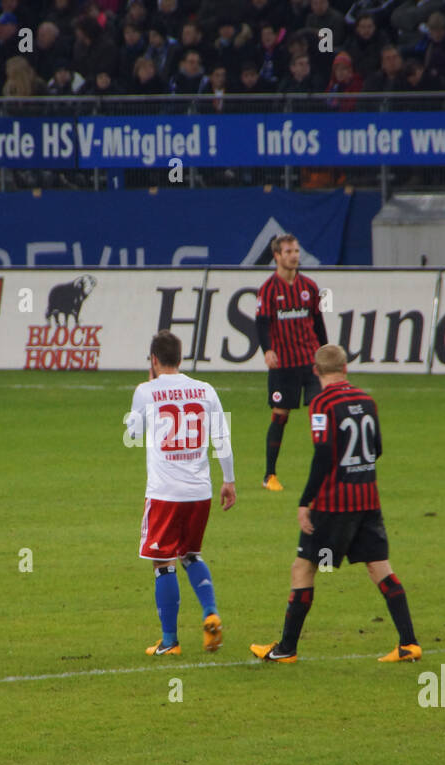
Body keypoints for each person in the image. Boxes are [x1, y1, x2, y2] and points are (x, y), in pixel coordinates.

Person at [251, 345, 422, 664]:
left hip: (334, 504)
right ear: (345, 368)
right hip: (368, 500)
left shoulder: (322, 404)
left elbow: (324, 454)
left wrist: (306, 502)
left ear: (315, 372)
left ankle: (286, 649)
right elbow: (378, 448)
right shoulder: (367, 401)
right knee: (379, 567)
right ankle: (409, 643)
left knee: (303, 568)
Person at [125, 330, 236, 657]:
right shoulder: (205, 389)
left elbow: (132, 434)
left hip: (165, 493)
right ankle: (210, 611)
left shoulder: (146, 391)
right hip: (199, 492)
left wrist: (144, 397)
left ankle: (170, 641)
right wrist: (228, 480)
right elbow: (222, 437)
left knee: (163, 563)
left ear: (154, 360)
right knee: (190, 554)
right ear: (181, 358)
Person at [256, 234, 328, 492]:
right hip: (283, 366)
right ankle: (269, 475)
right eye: (288, 251)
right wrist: (267, 350)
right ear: (277, 256)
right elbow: (262, 324)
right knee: (280, 416)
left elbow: (319, 324)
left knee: (320, 413)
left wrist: (326, 355)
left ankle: (326, 473)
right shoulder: (268, 290)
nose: (294, 255)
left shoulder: (310, 287)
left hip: (310, 364)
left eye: (296, 251)